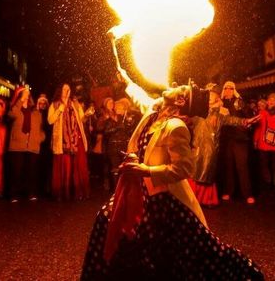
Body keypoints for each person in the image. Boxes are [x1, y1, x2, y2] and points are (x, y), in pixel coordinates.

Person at [80, 85, 263, 280]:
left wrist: (147, 170)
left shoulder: (176, 127)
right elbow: (139, 98)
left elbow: (184, 168)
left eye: (181, 89)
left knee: (198, 251)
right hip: (139, 191)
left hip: (161, 197)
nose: (174, 85)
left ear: (180, 101)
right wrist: (125, 80)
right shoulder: (154, 114)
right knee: (109, 223)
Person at [190, 84, 259, 207]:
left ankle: (206, 199)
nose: (210, 97)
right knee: (194, 172)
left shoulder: (221, 114)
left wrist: (245, 121)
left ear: (217, 98)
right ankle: (191, 198)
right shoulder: (199, 110)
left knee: (206, 173)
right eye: (209, 95)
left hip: (211, 149)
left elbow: (232, 120)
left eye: (213, 95)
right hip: (197, 147)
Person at [48, 83, 90, 200]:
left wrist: (87, 114)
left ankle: (78, 193)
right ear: (60, 91)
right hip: (62, 141)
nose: (67, 91)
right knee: (64, 167)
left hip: (76, 140)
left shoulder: (75, 104)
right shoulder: (55, 104)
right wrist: (60, 110)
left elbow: (82, 119)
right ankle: (62, 193)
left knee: (78, 166)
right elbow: (50, 120)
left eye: (68, 89)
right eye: (64, 89)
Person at [219, 81, 257, 204]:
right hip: (226, 139)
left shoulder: (239, 102)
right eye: (226, 88)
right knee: (228, 166)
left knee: (242, 166)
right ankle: (228, 191)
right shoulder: (220, 103)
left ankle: (247, 193)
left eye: (231, 88)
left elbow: (249, 115)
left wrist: (240, 100)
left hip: (240, 138)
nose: (228, 90)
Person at [7, 86, 46, 202]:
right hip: (17, 145)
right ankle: (14, 194)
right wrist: (20, 100)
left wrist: (40, 138)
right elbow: (11, 114)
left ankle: (30, 192)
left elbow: (41, 128)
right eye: (24, 93)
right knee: (16, 171)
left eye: (27, 93)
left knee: (31, 171)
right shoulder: (15, 109)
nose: (26, 95)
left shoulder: (35, 111)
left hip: (32, 145)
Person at [253, 93, 275, 191]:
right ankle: (268, 183)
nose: (270, 101)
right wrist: (255, 140)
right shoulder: (262, 112)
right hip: (263, 143)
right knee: (264, 165)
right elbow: (258, 128)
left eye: (273, 100)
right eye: (269, 99)